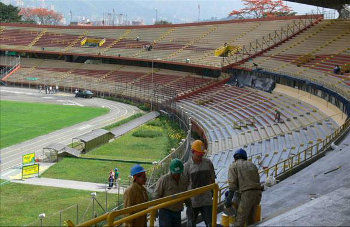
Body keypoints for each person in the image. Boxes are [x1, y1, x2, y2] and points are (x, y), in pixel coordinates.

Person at [225, 148, 262, 226]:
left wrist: (228, 200)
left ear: (235, 158)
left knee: (240, 221)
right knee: (251, 220)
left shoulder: (233, 166)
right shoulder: (252, 165)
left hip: (247, 195)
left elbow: (232, 185)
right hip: (258, 194)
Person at [184, 140, 216, 227]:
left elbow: (212, 179)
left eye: (202, 154)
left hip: (206, 200)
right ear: (192, 152)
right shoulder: (187, 166)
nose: (201, 156)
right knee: (191, 224)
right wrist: (187, 202)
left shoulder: (208, 163)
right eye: (199, 154)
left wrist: (212, 192)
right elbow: (184, 184)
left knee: (210, 224)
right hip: (193, 202)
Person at [153, 158, 189, 227]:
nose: (177, 175)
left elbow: (185, 193)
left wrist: (189, 205)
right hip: (165, 212)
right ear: (171, 171)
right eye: (175, 173)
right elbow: (156, 195)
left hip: (177, 211)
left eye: (179, 173)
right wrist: (154, 210)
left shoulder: (183, 179)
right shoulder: (164, 180)